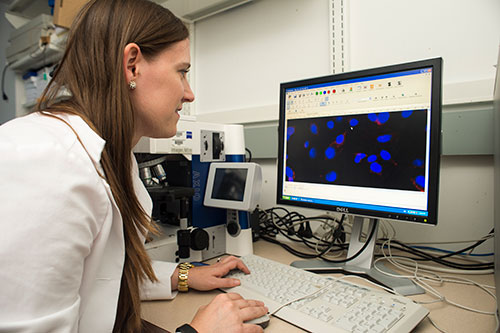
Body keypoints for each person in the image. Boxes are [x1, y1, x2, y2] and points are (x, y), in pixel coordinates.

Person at [0, 0, 268, 332]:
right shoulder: (50, 166)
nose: (189, 93)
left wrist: (182, 275)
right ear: (132, 66)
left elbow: (100, 274)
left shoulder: (112, 153)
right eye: (182, 71)